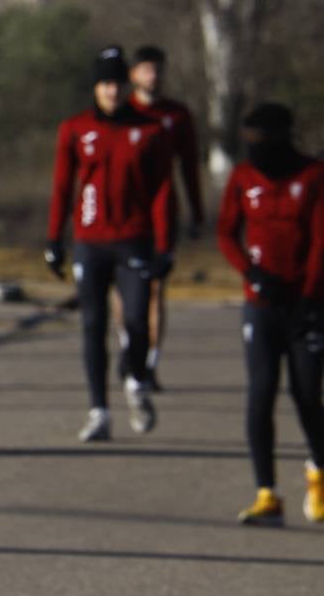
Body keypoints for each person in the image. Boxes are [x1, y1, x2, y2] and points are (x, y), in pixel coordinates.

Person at [45, 45, 173, 442]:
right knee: (92, 324)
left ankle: (136, 379)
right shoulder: (75, 129)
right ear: (95, 88)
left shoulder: (150, 131)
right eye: (104, 84)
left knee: (136, 321)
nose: (111, 92)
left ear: (126, 85)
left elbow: (163, 191)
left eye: (117, 84)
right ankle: (98, 410)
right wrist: (54, 239)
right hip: (89, 241)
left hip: (133, 240)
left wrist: (165, 246)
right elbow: (64, 187)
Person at [216, 102, 324, 526]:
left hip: (306, 305)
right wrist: (250, 272)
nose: (255, 151)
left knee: (306, 395)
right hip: (260, 304)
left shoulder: (313, 176)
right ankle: (267, 493)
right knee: (260, 395)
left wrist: (311, 299)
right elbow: (226, 232)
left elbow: (320, 241)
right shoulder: (243, 177)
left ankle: (318, 473)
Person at [127, 45, 205, 390]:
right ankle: (130, 349)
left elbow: (189, 166)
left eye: (157, 69)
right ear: (133, 74)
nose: (153, 76)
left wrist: (196, 211)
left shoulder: (177, 115)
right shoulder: (119, 111)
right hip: (123, 217)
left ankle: (149, 362)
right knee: (125, 294)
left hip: (161, 214)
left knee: (156, 290)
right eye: (146, 69)